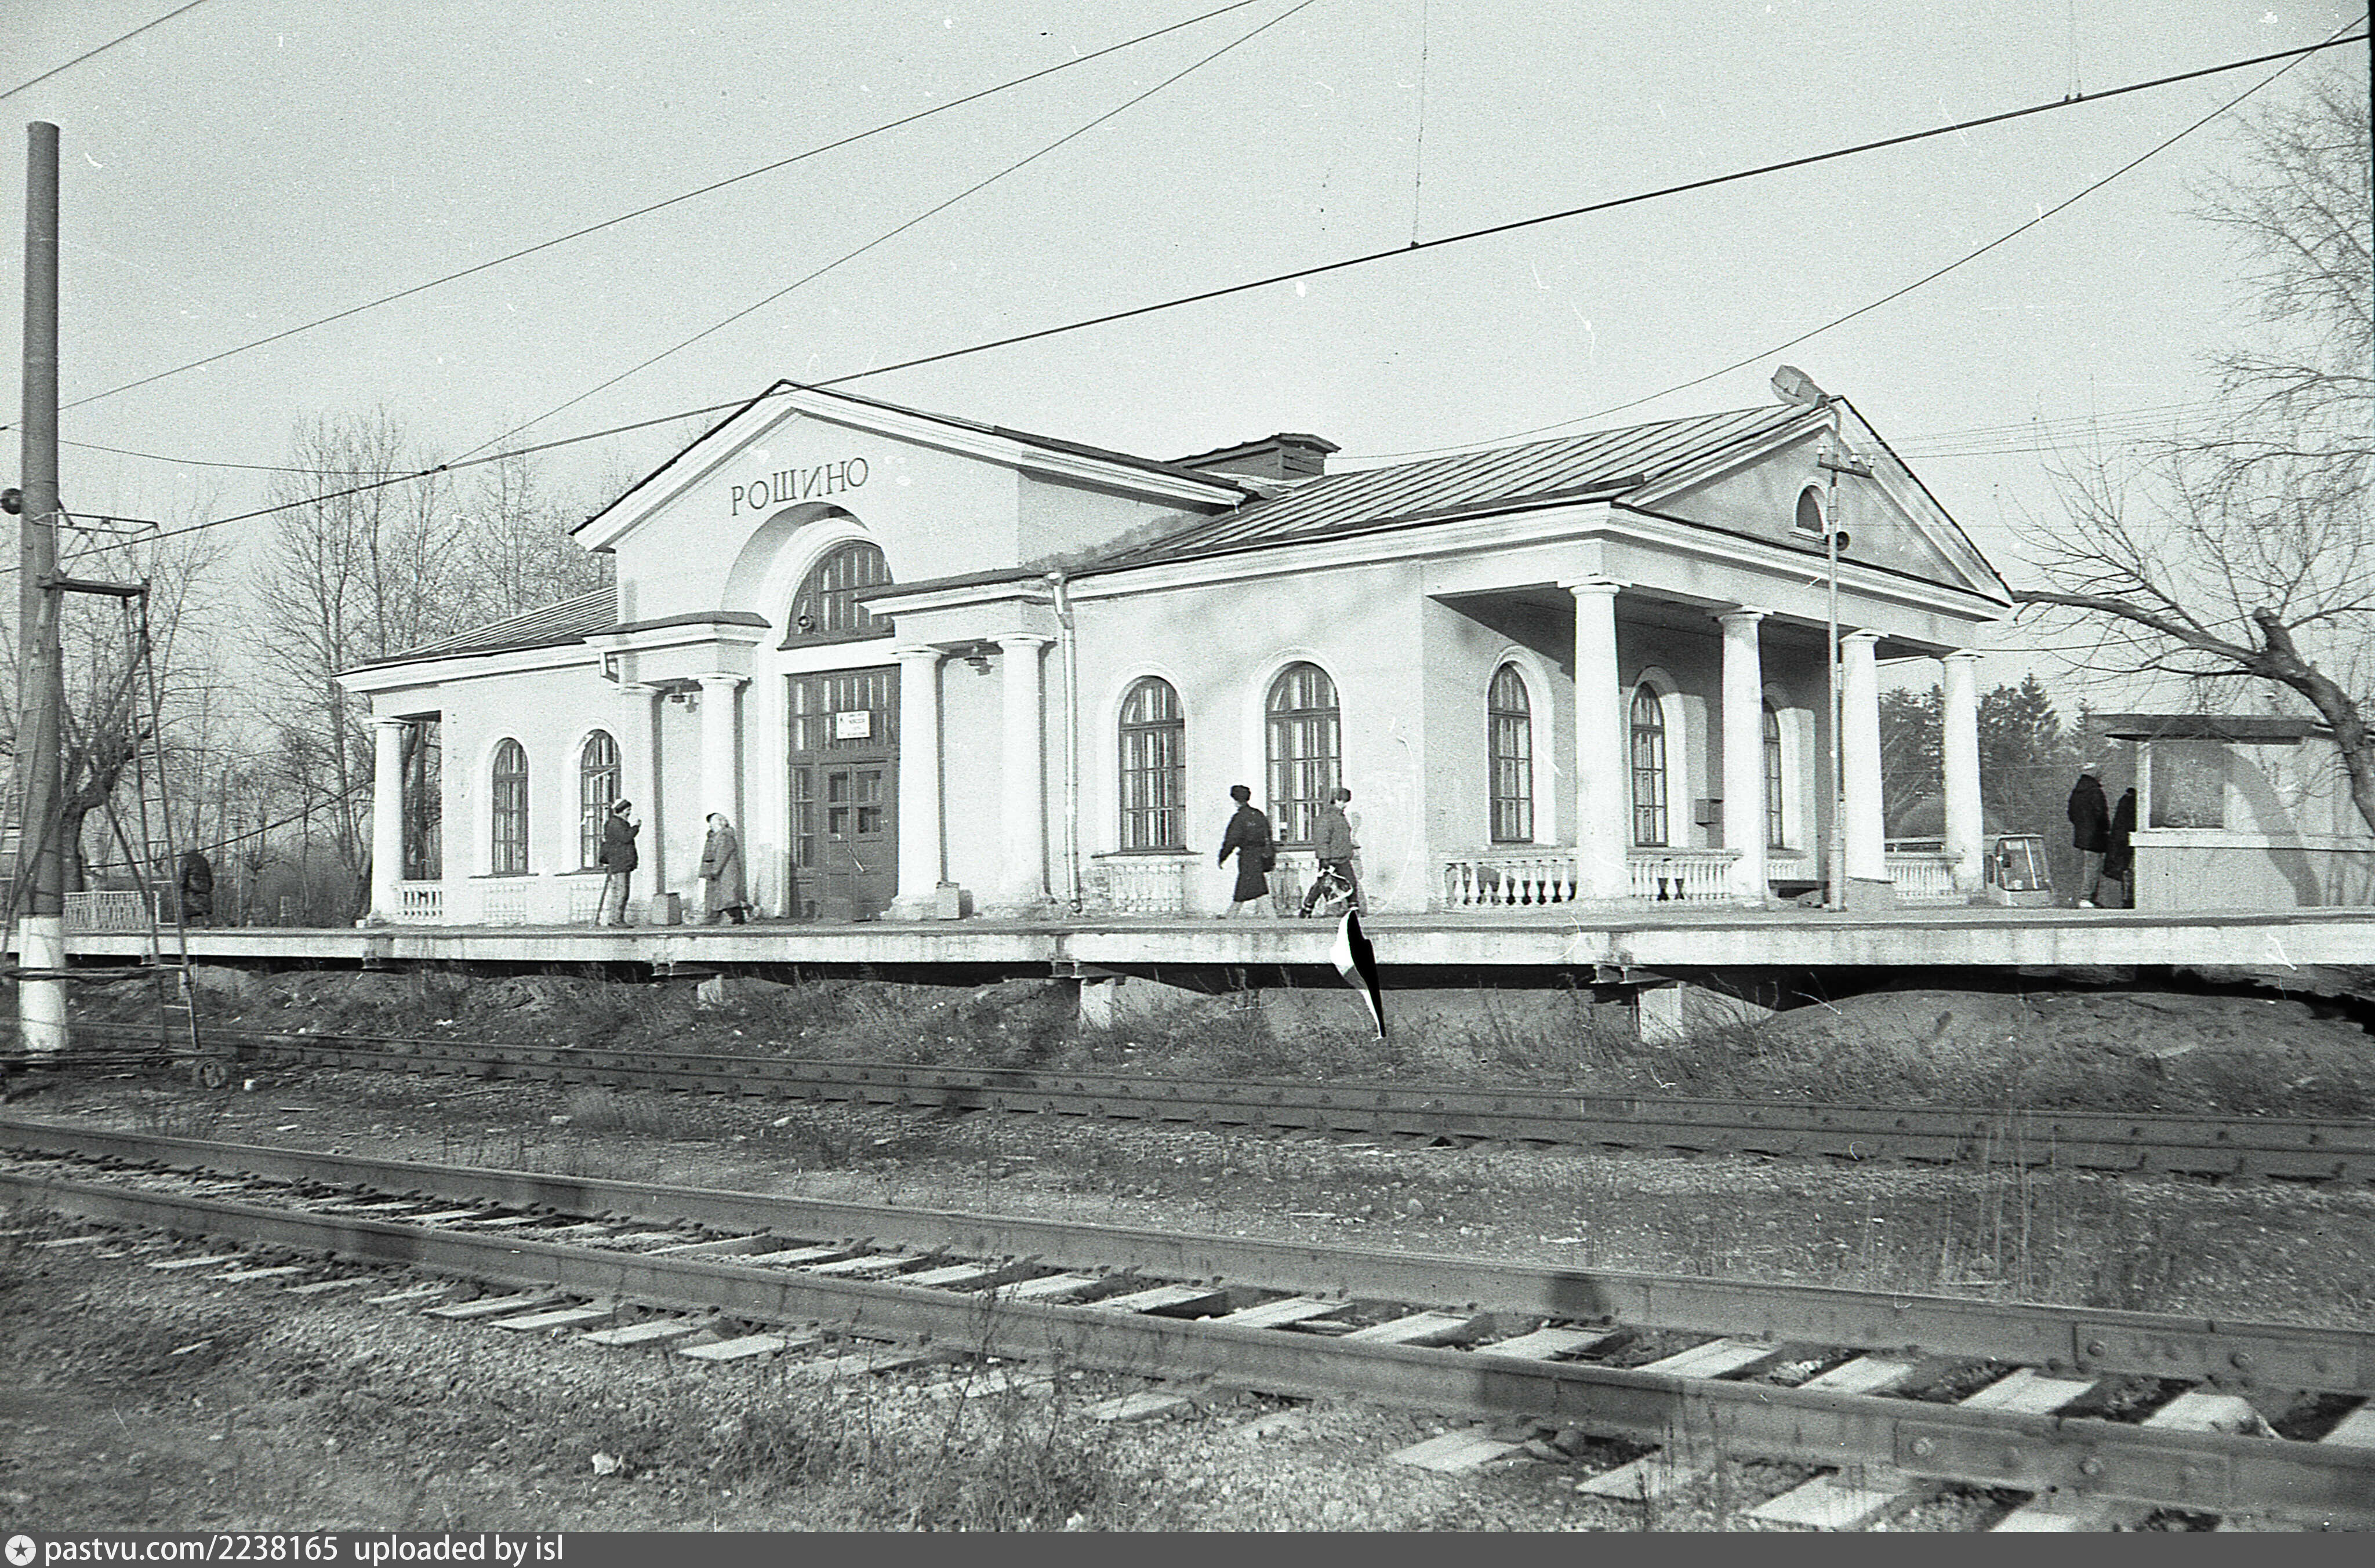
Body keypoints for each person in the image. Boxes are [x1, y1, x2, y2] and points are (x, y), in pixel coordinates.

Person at [1298, 785, 1361, 916]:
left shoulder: (1340, 817)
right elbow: (1322, 841)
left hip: (1341, 857)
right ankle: (1307, 908)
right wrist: (1324, 859)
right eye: (1343, 801)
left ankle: (1354, 909)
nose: (1345, 805)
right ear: (1336, 800)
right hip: (1331, 858)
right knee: (1323, 885)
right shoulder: (1326, 818)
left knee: (1350, 882)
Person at [1215, 784, 1274, 918]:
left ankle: (1271, 916)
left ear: (1235, 800)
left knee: (1254, 887)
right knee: (1250, 885)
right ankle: (1231, 914)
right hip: (1260, 856)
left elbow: (1231, 840)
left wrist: (1222, 857)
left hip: (1248, 855)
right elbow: (1268, 836)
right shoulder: (1258, 815)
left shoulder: (1239, 818)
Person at [2066, 766, 2110, 907]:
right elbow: (2101, 814)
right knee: (2093, 868)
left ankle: (2082, 897)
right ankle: (2086, 897)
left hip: (2081, 836)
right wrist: (2106, 829)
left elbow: (2071, 814)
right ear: (2095, 775)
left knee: (2084, 867)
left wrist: (2081, 827)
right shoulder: (2095, 792)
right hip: (2095, 837)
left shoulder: (2076, 792)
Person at [595, 799, 640, 926]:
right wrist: (636, 828)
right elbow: (626, 838)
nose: (629, 812)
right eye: (628, 810)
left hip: (621, 861)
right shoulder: (616, 823)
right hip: (620, 862)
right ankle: (616, 920)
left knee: (620, 891)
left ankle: (615, 919)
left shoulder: (617, 823)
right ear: (622, 810)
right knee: (622, 891)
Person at [698, 812, 749, 925]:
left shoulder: (725, 836)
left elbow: (722, 854)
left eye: (722, 820)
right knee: (720, 896)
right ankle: (717, 917)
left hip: (725, 871)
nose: (722, 822)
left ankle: (736, 918)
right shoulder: (715, 837)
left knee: (728, 896)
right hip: (720, 871)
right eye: (717, 820)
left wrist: (714, 871)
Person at [2102, 786, 2137, 909]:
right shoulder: (2133, 801)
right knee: (2130, 870)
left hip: (2122, 840)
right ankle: (2129, 898)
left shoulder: (2126, 800)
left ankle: (2127, 898)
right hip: (2127, 840)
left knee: (2126, 870)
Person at [177, 849, 215, 929]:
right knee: (203, 904)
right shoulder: (203, 860)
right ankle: (206, 921)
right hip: (204, 884)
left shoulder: (185, 860)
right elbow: (209, 873)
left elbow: (183, 873)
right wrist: (211, 884)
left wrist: (181, 885)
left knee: (186, 903)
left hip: (191, 885)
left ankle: (187, 922)